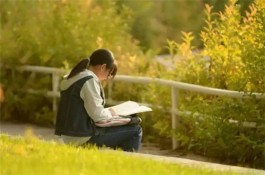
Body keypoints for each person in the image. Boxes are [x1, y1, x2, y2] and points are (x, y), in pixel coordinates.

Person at [55, 49, 142, 152]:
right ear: (103, 67)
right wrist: (113, 114)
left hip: (69, 135)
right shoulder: (89, 80)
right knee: (135, 129)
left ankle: (117, 162)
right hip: (82, 136)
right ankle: (126, 165)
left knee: (120, 132)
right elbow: (98, 116)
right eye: (109, 74)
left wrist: (110, 113)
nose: (107, 78)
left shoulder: (75, 76)